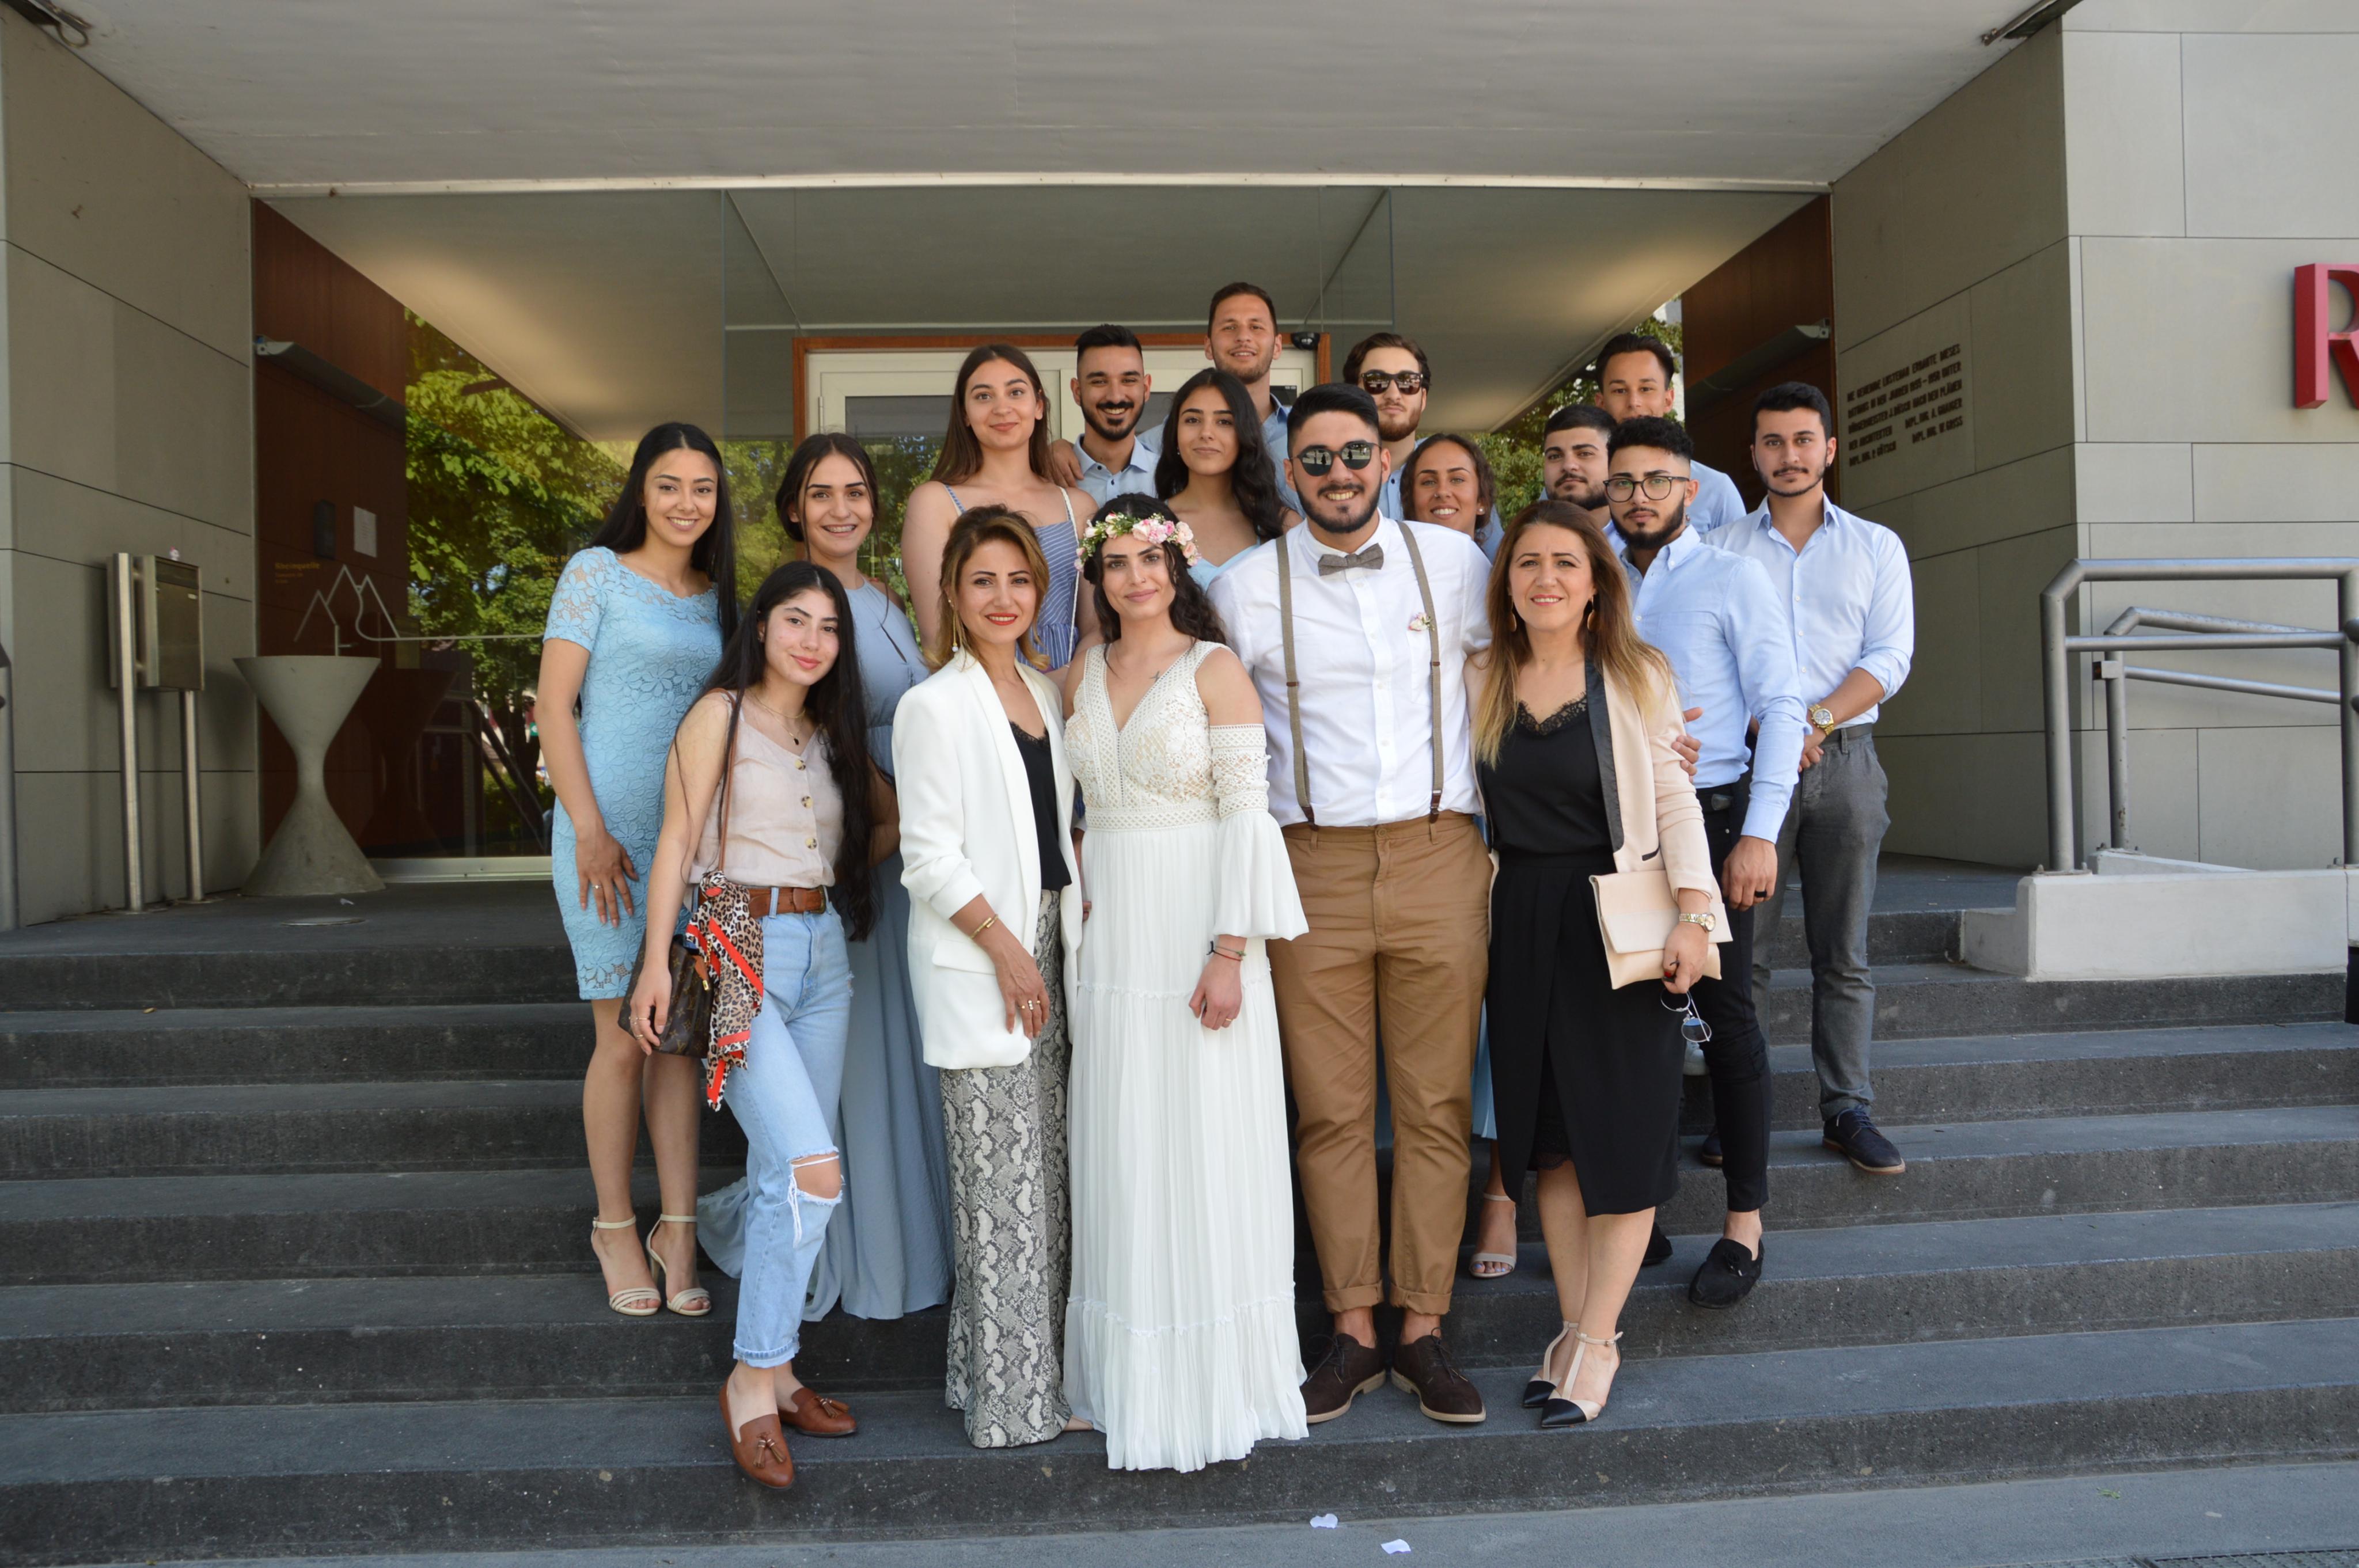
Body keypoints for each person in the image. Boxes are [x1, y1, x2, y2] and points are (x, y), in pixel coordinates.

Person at [1207, 383, 1493, 1427]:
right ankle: (1353, 1327)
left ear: (1385, 459)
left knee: (1434, 1106)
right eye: (1318, 459)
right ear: (1290, 473)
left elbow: (1529, 662)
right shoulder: (1243, 586)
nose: (1339, 473)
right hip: (1308, 864)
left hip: (1438, 851)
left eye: (1356, 453)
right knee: (1330, 1110)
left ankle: (1424, 1324)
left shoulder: (1454, 562)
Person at [1057, 502, 1310, 1472]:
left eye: (1149, 559)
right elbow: (1067, 804)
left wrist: (1229, 948)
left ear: (1176, 566)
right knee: (1123, 1135)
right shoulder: (1079, 670)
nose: (1135, 577)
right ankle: (1123, 1378)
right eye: (1116, 563)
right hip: (1110, 932)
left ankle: (1212, 1381)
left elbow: (1248, 815)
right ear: (1097, 576)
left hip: (1201, 925)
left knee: (1203, 1134)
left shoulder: (1215, 668)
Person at [625, 561, 888, 1490]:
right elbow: (674, 841)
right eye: (796, 620)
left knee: (790, 1174)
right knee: (815, 1171)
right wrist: (654, 965)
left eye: (829, 627)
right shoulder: (720, 714)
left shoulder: (828, 731)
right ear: (763, 627)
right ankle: (750, 1376)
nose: (813, 640)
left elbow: (879, 827)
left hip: (823, 951)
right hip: (734, 939)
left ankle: (778, 1372)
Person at [699, 436, 954, 1324]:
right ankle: (824, 1270)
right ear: (793, 510)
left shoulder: (884, 601)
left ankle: (898, 1247)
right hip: (780, 896)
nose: (841, 508)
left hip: (879, 858)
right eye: (820, 493)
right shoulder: (778, 627)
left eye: (856, 491)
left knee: (890, 1057)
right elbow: (694, 838)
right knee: (825, 1105)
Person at [1474, 500, 1717, 1429]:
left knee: (1618, 1137)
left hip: (1619, 922)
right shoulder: (1480, 676)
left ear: (1594, 584)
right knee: (1552, 1143)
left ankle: (1600, 1340)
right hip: (1518, 922)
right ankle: (1572, 1329)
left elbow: (1675, 797)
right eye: (1528, 562)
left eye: (1565, 563)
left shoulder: (1634, 672)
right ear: (1506, 582)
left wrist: (1694, 913)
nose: (1546, 578)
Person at [1603, 414, 1809, 1309]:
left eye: (1657, 480)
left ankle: (1744, 1224)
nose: (1639, 496)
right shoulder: (1594, 577)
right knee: (1630, 1022)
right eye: (1624, 481)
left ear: (1690, 490)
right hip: (1617, 828)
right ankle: (1640, 1209)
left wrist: (1761, 831)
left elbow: (1784, 703)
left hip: (1717, 823)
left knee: (1725, 1020)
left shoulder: (1734, 576)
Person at [894, 506, 1087, 1449]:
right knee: (999, 1191)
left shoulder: (1046, 692)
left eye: (1018, 579)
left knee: (1045, 1188)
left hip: (1055, 947)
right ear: (953, 595)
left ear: (1039, 593)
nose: (1002, 596)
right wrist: (1010, 951)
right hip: (986, 956)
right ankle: (1014, 1409)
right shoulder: (933, 704)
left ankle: (996, 1377)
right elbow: (927, 857)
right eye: (982, 581)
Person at [537, 422, 737, 1322]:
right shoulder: (596, 573)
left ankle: (679, 1228)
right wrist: (588, 827)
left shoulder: (721, 599)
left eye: (703, 487)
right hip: (606, 839)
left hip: (690, 844)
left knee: (678, 1038)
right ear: (641, 491)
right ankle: (615, 1223)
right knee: (623, 1034)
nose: (687, 502)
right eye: (669, 484)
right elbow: (554, 706)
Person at [1716, 381, 1916, 1177]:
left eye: (1803, 440)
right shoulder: (1723, 549)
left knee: (1844, 951)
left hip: (1846, 760)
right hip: (1749, 758)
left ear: (1829, 449)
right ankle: (1739, 1108)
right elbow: (1709, 657)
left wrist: (1815, 721)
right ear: (1754, 453)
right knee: (1746, 953)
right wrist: (1769, 728)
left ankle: (1847, 1108)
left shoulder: (1875, 546)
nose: (1789, 455)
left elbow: (1889, 655)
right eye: (1773, 441)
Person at [902, 343, 1099, 671]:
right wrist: (1018, 695)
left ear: (1039, 406)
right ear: (965, 414)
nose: (1001, 408)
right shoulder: (935, 502)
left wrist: (1061, 689)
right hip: (976, 692)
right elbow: (939, 639)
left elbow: (1096, 629)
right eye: (984, 396)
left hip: (1071, 691)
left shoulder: (1078, 506)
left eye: (1015, 392)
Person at [1154, 367, 1297, 586]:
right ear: (1174, 433)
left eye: (1224, 422)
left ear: (1245, 433)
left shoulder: (1284, 524)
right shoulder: (1150, 523)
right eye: (1192, 420)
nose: (1206, 433)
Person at [1592, 332, 1746, 535]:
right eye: (1620, 391)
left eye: (1646, 389)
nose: (1634, 402)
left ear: (1668, 399)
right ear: (1601, 403)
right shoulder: (1578, 487)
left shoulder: (1716, 489)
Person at [1066, 324, 1159, 505]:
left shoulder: (1172, 479)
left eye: (1128, 380)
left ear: (1146, 388)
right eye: (1099, 382)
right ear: (1077, 392)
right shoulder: (1050, 478)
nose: (1116, 397)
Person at [1341, 331, 1430, 521]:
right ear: (1351, 394)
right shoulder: (1325, 473)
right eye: (1376, 381)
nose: (1393, 395)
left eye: (1408, 381)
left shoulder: (1454, 474)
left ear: (1423, 399)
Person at [1401, 432, 1501, 560]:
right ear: (1411, 501)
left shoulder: (1505, 572)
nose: (1442, 491)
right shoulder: (1388, 571)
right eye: (1429, 482)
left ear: (1482, 501)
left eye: (1457, 480)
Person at [1541, 404, 1615, 514]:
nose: (1568, 466)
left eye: (1585, 454)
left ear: (1615, 460)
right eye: (1555, 456)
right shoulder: (1528, 525)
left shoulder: (1640, 524)